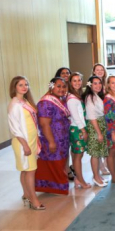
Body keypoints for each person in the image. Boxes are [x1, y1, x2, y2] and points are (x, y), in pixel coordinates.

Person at [8, 76, 44, 210]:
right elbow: (15, 129)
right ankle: (33, 200)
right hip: (23, 142)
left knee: (25, 170)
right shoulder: (15, 105)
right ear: (14, 87)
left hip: (31, 140)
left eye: (26, 84)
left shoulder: (25, 101)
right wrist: (25, 145)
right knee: (30, 170)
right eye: (20, 85)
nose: (24, 87)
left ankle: (26, 194)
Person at [36, 77, 71, 195]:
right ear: (51, 86)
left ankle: (57, 187)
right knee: (54, 162)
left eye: (64, 86)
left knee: (60, 162)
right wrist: (51, 141)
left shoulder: (59, 99)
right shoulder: (46, 102)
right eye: (58, 86)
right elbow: (44, 123)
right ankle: (55, 187)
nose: (61, 89)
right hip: (53, 138)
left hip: (62, 138)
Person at [83, 76, 109, 187]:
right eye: (95, 83)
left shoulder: (97, 96)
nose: (98, 85)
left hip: (101, 124)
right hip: (95, 126)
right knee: (95, 154)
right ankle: (95, 177)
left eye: (99, 83)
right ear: (90, 85)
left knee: (98, 153)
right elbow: (92, 116)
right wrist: (98, 133)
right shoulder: (90, 97)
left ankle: (98, 175)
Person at [67, 73, 91, 189]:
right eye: (74, 81)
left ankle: (78, 179)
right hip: (77, 129)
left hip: (80, 128)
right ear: (70, 83)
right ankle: (81, 180)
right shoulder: (71, 98)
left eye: (79, 80)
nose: (77, 83)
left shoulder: (78, 95)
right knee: (78, 156)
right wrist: (83, 131)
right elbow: (75, 116)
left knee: (79, 156)